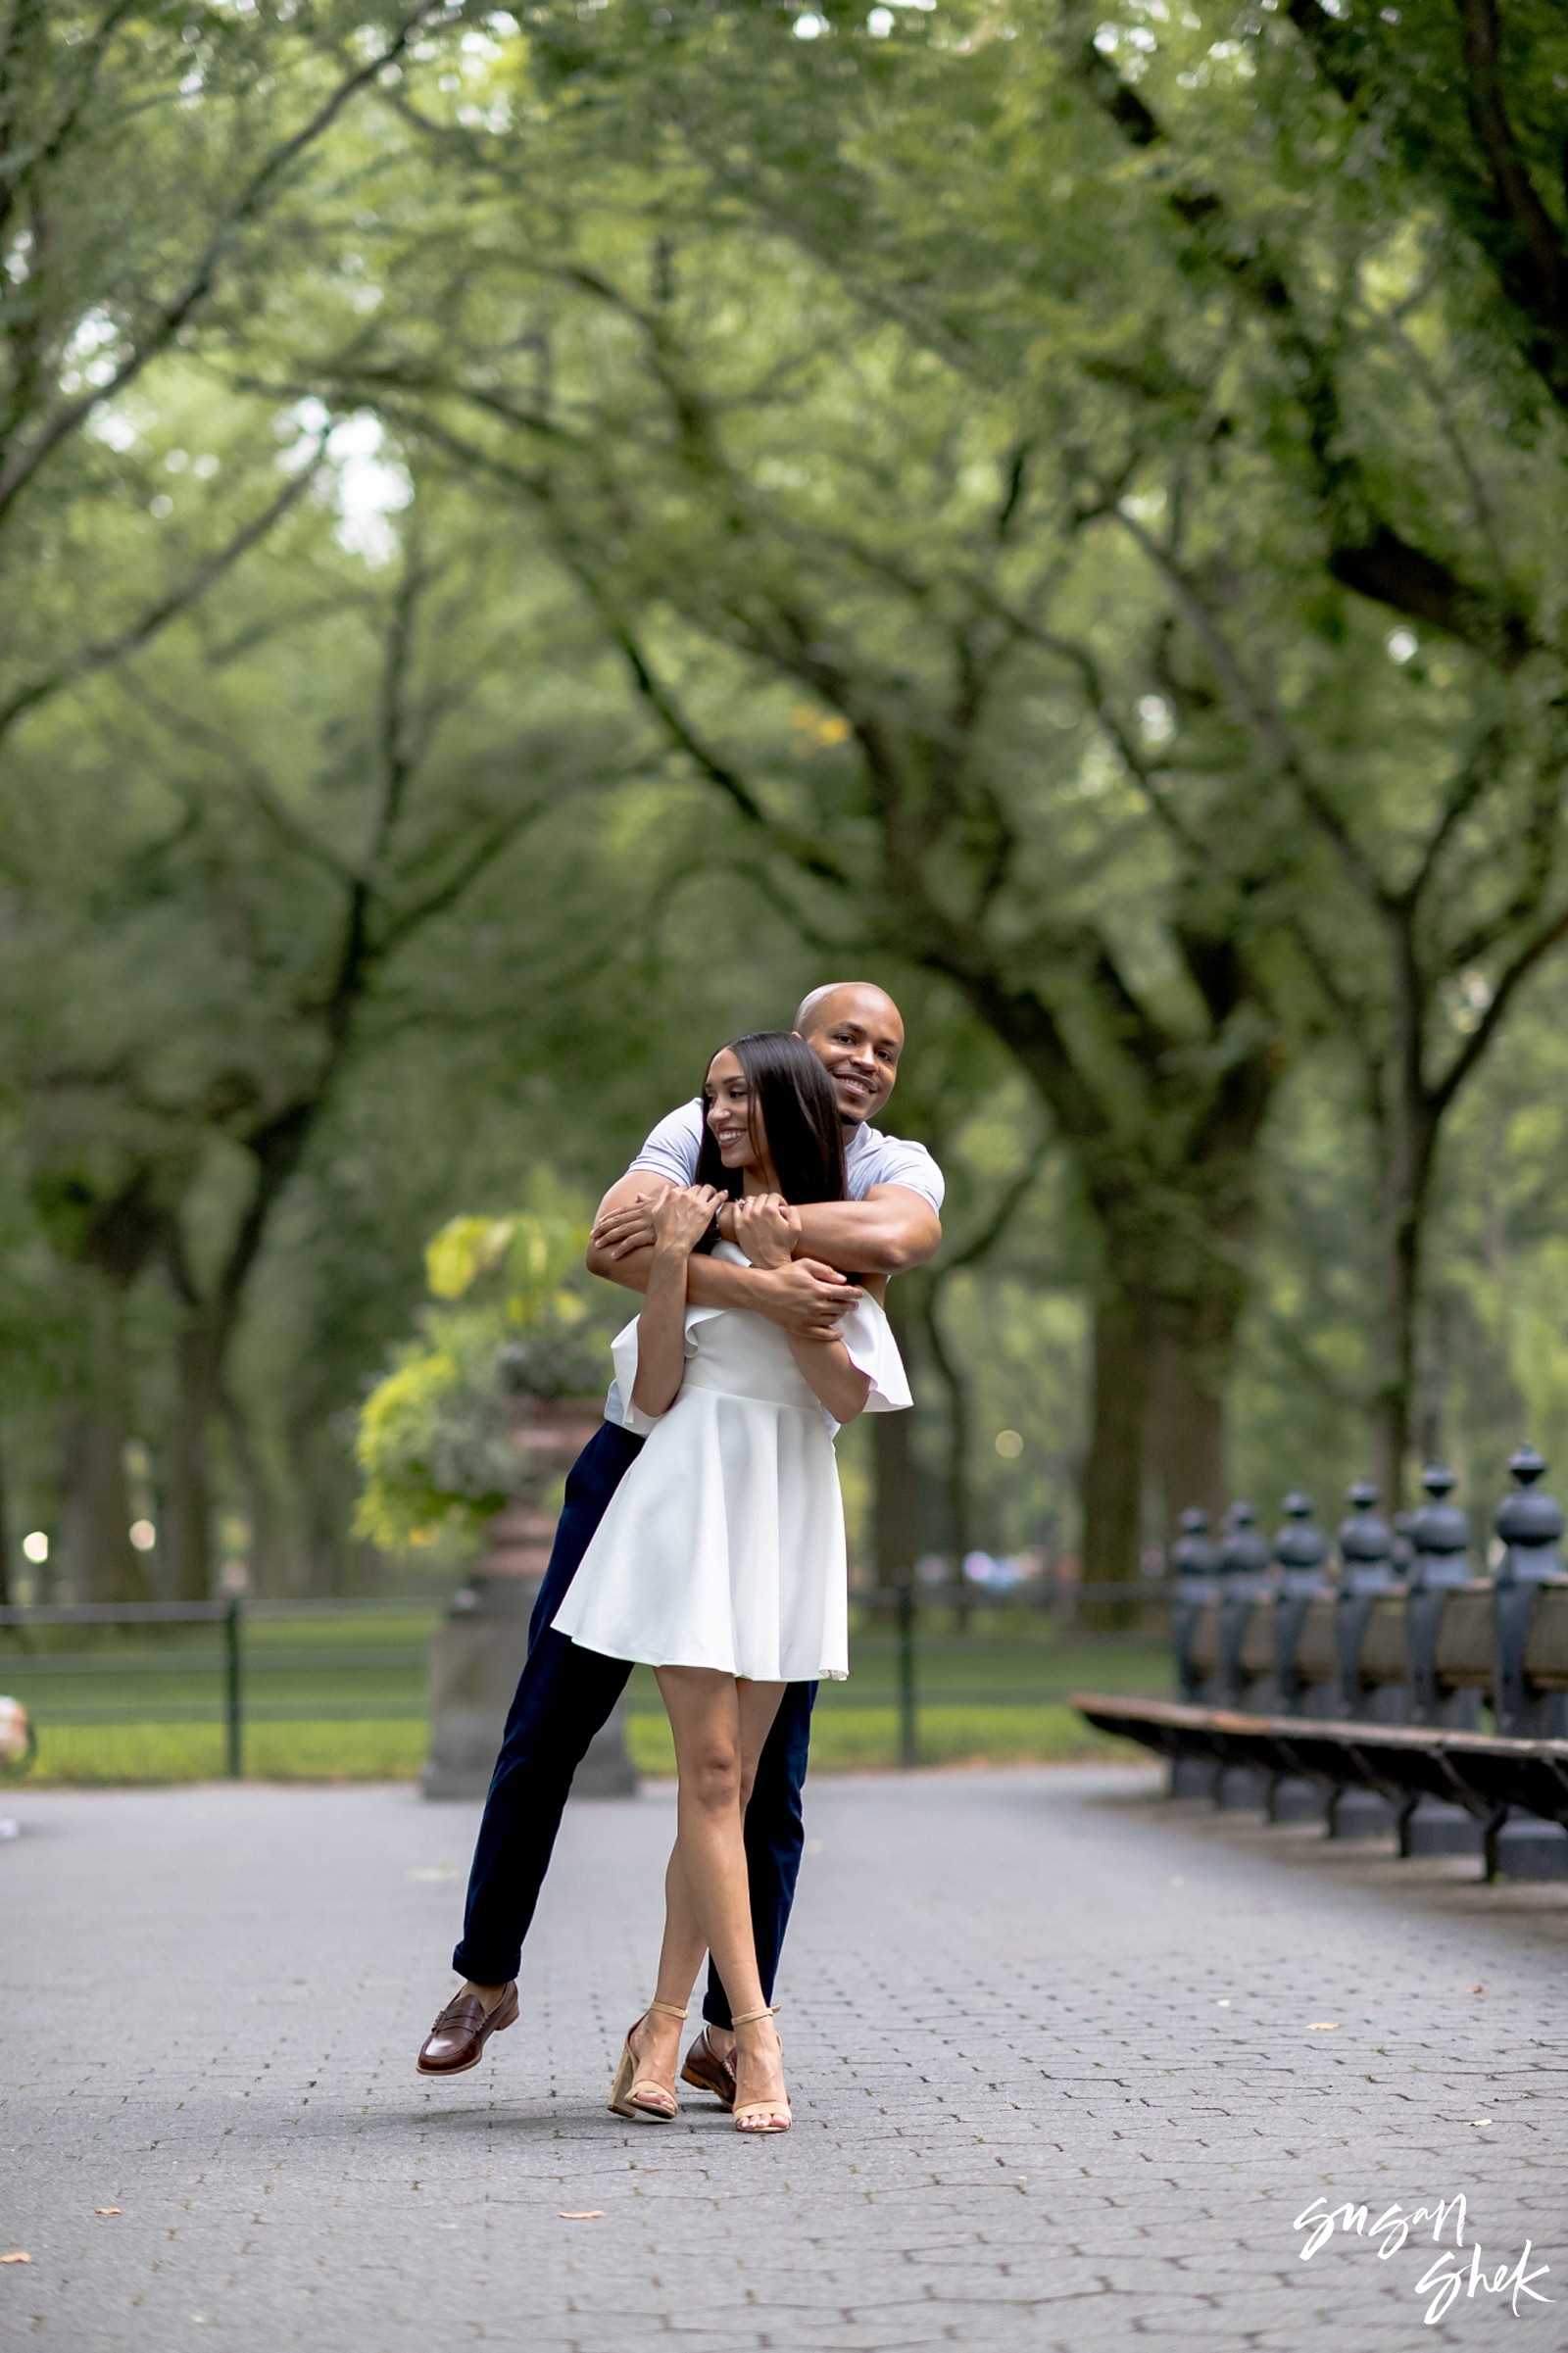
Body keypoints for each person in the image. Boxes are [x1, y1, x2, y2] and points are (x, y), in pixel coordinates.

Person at [416, 982, 942, 2099]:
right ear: (793, 1052)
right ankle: (487, 1973)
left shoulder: (895, 1160)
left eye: (885, 1048)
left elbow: (901, 1239)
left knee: (761, 1781)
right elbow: (614, 1239)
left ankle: (713, 2033)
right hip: (641, 1459)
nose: (865, 1061)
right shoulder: (702, 1121)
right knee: (547, 1718)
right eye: (844, 1037)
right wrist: (735, 1271)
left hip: (773, 1487)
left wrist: (754, 1236)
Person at [553, 1032, 910, 2131]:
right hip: (689, 1501)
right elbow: (654, 1391)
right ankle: (756, 2039)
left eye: (740, 1094)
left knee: (730, 1790)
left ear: (789, 1104)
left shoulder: (826, 1233)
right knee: (710, 1772)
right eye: (709, 1095)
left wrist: (771, 1275)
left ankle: (660, 2029)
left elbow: (842, 1399)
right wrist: (672, 1258)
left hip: (786, 1508)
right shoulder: (689, 1220)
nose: (717, 1111)